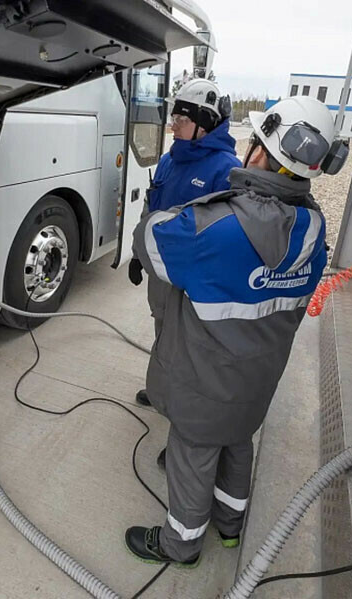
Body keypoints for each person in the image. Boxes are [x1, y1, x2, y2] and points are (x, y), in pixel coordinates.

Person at [124, 96, 350, 566]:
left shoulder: (215, 227)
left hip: (205, 380)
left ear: (261, 153)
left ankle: (180, 543)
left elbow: (149, 243)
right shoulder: (312, 228)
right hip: (259, 380)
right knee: (238, 443)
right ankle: (230, 527)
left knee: (192, 451)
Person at [128, 78, 241, 410]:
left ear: (204, 127)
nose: (173, 124)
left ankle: (181, 407)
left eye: (183, 119)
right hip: (163, 275)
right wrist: (138, 253)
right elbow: (152, 209)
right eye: (174, 117)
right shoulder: (169, 160)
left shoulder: (228, 170)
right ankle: (162, 390)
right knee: (164, 331)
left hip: (196, 282)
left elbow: (229, 237)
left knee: (192, 344)